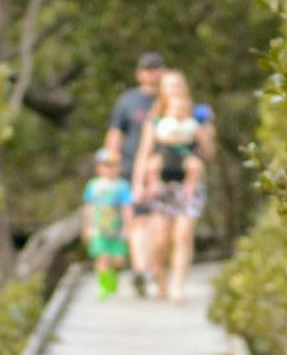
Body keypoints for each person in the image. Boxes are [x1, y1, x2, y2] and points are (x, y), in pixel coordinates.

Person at [131, 69, 215, 304]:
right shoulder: (156, 118)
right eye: (168, 85)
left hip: (188, 183)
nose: (173, 89)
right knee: (160, 240)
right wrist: (139, 183)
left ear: (185, 86)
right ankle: (161, 282)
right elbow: (144, 153)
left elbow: (209, 153)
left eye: (177, 84)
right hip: (162, 183)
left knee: (183, 234)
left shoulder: (198, 115)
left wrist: (204, 135)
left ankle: (178, 286)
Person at [105, 51, 165, 296]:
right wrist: (111, 162)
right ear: (139, 73)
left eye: (156, 68)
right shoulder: (128, 100)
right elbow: (115, 133)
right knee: (137, 218)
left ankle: (152, 269)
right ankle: (140, 269)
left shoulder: (169, 97)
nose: (152, 73)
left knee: (158, 221)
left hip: (164, 169)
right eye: (147, 69)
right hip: (132, 166)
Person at [81, 147, 134, 297]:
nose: (110, 169)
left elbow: (127, 208)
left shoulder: (122, 186)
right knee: (102, 256)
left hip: (117, 228)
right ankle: (104, 286)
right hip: (99, 227)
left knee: (118, 260)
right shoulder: (93, 185)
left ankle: (113, 278)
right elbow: (89, 208)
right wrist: (87, 227)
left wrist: (128, 228)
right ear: (99, 168)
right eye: (106, 165)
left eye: (114, 165)